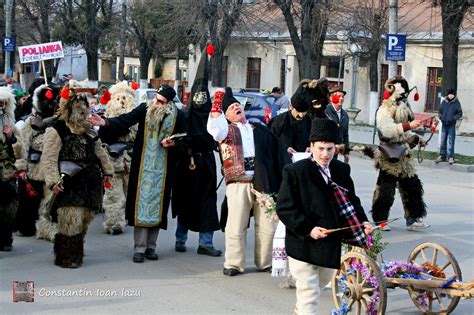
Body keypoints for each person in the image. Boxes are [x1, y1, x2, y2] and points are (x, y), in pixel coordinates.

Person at [276, 118, 372, 314]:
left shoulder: (341, 170)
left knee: (318, 285)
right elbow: (285, 208)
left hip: (329, 244)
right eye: (320, 148)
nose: (325, 154)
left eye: (330, 149)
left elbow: (352, 199)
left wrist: (363, 221)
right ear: (311, 147)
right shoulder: (296, 171)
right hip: (302, 242)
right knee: (309, 293)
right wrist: (309, 229)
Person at [88, 84, 186, 263]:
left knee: (157, 207)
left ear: (169, 102)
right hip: (142, 167)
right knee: (141, 206)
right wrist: (105, 122)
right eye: (156, 98)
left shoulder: (178, 115)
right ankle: (139, 248)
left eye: (160, 101)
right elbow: (126, 120)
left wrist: (175, 144)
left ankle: (151, 247)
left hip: (164, 170)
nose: (156, 103)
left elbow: (185, 139)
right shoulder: (145, 108)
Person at [207, 87, 290, 276]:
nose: (237, 107)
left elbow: (277, 149)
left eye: (238, 105)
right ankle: (234, 264)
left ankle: (265, 262)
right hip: (238, 183)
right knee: (236, 225)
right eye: (232, 107)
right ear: (225, 116)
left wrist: (290, 153)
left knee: (268, 225)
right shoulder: (224, 130)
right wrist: (218, 100)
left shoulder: (259, 129)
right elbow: (214, 126)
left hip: (263, 182)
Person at [41, 84, 113, 268]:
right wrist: (52, 181)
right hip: (68, 180)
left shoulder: (89, 130)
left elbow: (100, 151)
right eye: (78, 106)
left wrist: (108, 171)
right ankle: (66, 256)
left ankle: (75, 250)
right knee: (70, 219)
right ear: (69, 106)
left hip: (89, 181)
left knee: (85, 218)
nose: (83, 110)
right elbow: (49, 158)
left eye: (84, 107)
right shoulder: (56, 129)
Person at [172, 47, 222, 256]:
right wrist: (184, 145)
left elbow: (220, 137)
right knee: (186, 201)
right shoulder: (184, 116)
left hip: (207, 164)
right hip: (188, 164)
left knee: (208, 203)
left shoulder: (214, 118)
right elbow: (175, 140)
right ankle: (180, 239)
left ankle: (206, 243)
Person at [371, 76, 430, 231]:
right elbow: (387, 130)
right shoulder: (384, 110)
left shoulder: (402, 107)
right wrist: (407, 125)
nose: (404, 96)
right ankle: (381, 221)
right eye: (401, 92)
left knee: (413, 187)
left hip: (404, 155)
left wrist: (418, 138)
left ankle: (412, 218)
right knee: (386, 190)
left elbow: (406, 132)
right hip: (388, 155)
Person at [15, 83, 60, 239]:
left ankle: (47, 229)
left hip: (53, 168)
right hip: (34, 167)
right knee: (29, 200)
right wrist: (21, 167)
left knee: (51, 201)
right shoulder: (30, 122)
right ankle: (26, 226)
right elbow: (22, 144)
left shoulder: (59, 122)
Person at [100, 81, 136, 235]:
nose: (122, 102)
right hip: (112, 159)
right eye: (118, 98)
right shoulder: (107, 117)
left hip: (130, 157)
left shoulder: (137, 119)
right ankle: (114, 221)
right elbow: (103, 137)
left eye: (125, 98)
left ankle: (128, 216)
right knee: (113, 193)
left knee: (130, 191)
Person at [0, 86, 24, 252]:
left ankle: (6, 239)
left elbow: (21, 151)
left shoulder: (14, 128)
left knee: (8, 209)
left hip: (6, 172)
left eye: (2, 104)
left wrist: (11, 138)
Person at [268, 81, 312, 158]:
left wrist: (312, 147)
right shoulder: (277, 122)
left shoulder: (310, 121)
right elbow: (269, 142)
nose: (301, 115)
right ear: (290, 106)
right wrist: (285, 148)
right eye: (298, 111)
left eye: (304, 112)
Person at [435, 89, 463, 165]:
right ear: (448, 95)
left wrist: (453, 118)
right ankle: (442, 156)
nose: (451, 95)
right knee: (443, 140)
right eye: (449, 94)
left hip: (451, 125)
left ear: (454, 95)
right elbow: (440, 111)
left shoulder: (456, 103)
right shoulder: (444, 102)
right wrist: (441, 117)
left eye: (452, 94)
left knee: (451, 141)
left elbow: (459, 113)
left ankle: (451, 157)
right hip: (444, 124)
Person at [325, 85, 350, 163]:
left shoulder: (345, 115)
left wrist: (346, 152)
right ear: (331, 98)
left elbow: (345, 134)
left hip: (336, 150)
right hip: (325, 149)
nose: (341, 98)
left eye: (342, 96)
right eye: (338, 96)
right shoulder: (325, 111)